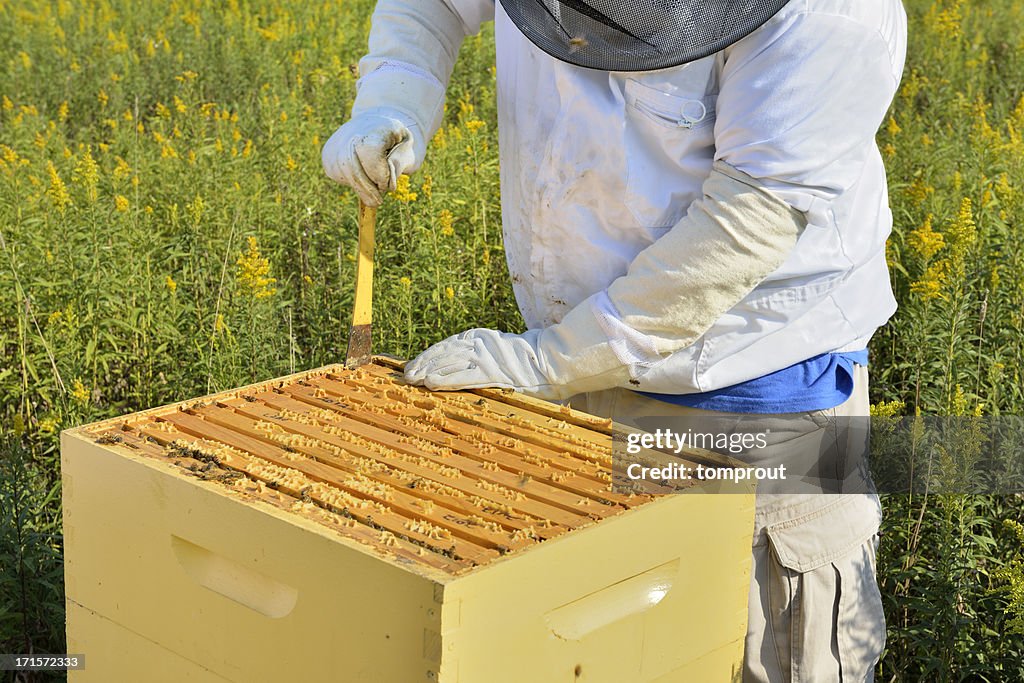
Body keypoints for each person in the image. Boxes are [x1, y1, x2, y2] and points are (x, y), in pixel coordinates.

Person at [322, 1, 907, 680]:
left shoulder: (833, 13)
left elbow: (748, 219)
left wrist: (546, 360)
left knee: (758, 650)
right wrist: (396, 94)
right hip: (579, 390)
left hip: (760, 401)